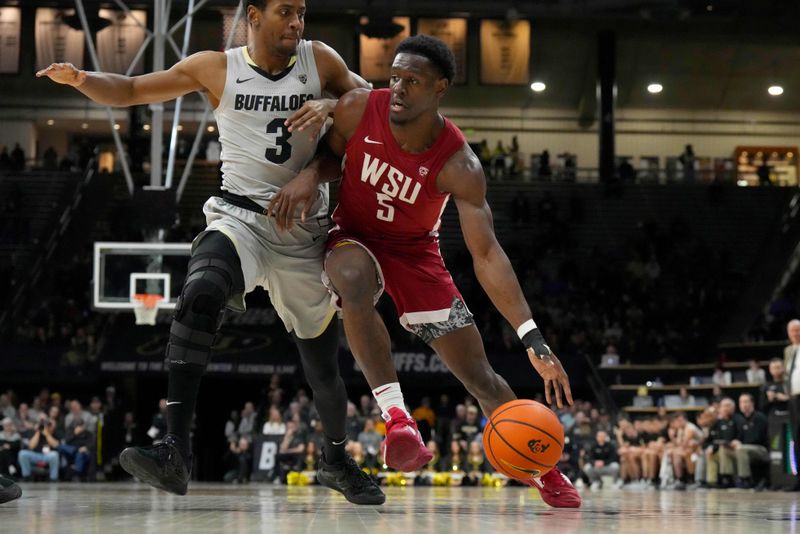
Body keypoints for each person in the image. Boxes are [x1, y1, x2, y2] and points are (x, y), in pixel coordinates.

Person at [37, 0, 382, 505]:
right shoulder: (216, 67)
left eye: (302, 13)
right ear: (255, 16)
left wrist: (332, 106)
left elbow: (370, 107)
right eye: (286, 12)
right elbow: (133, 90)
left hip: (304, 231)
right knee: (200, 290)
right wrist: (81, 78)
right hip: (238, 217)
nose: (296, 23)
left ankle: (335, 460)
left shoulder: (320, 61)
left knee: (323, 368)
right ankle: (175, 451)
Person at [270, 35, 579, 508]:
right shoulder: (356, 108)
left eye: (411, 81)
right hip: (354, 237)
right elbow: (329, 156)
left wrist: (532, 337)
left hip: (417, 255)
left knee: (480, 377)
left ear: (440, 88)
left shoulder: (459, 163)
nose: (397, 89)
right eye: (393, 78)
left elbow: (488, 255)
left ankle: (539, 464)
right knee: (351, 279)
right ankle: (398, 418)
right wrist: (309, 176)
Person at [731, 393, 768, 489]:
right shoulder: (743, 420)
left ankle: (745, 479)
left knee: (741, 449)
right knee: (725, 450)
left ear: (752, 403)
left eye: (745, 401)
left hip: (761, 450)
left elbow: (758, 439)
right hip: (746, 448)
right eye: (741, 402)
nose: (743, 404)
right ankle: (726, 479)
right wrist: (736, 441)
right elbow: (740, 437)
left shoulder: (759, 417)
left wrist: (740, 444)